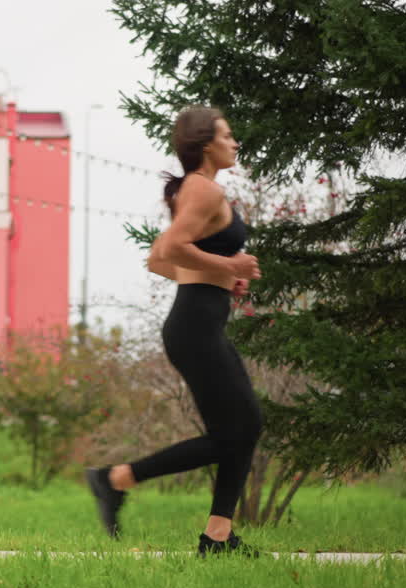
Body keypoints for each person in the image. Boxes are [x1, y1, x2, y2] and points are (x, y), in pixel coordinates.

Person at [86, 106, 264, 557]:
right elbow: (171, 248)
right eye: (228, 135)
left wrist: (224, 278)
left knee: (246, 425)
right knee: (232, 433)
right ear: (207, 144)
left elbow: (159, 260)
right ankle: (116, 479)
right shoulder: (202, 189)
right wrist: (230, 264)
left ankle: (218, 536)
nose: (235, 142)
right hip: (193, 329)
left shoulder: (198, 190)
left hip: (199, 324)